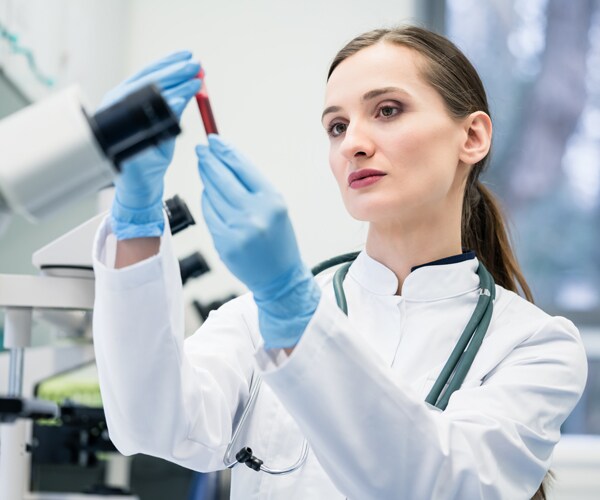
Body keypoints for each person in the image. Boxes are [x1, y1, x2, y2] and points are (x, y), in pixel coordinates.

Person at [92, 26, 588, 499]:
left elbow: (443, 485)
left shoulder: (534, 346)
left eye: (388, 110)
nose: (353, 143)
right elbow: (148, 422)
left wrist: (291, 306)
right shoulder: (255, 322)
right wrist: (135, 215)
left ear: (472, 136)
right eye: (337, 126)